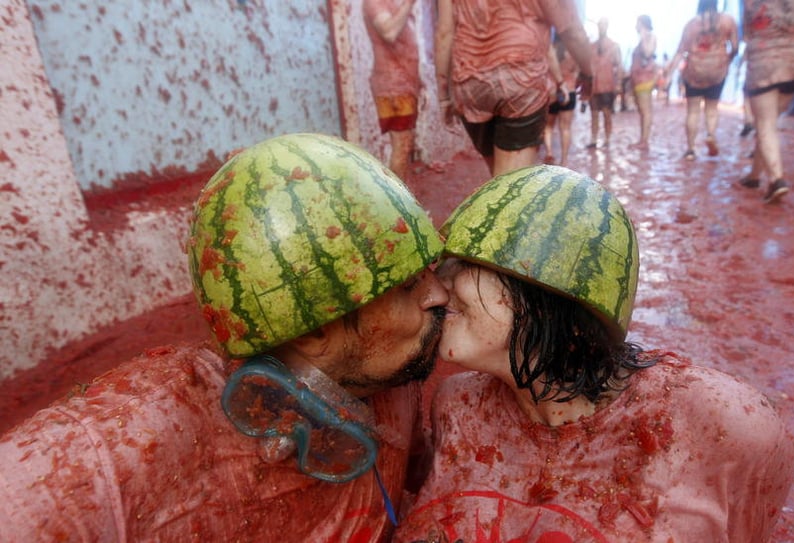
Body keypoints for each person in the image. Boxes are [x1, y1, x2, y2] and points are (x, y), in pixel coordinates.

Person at [0, 133, 450, 541]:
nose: (440, 293)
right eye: (408, 287)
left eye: (429, 271)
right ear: (314, 330)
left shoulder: (393, 385)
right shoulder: (128, 443)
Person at [393, 165, 794, 542]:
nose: (438, 287)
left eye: (463, 262)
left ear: (551, 287)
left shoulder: (720, 426)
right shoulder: (457, 406)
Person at [434, 0, 593, 177]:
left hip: (470, 85)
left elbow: (444, 33)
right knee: (509, 190)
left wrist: (443, 97)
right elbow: (572, 31)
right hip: (521, 81)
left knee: (498, 180)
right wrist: (587, 73)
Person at [738, 0, 794, 203]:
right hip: (793, 66)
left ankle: (777, 180)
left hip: (763, 66)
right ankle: (754, 175)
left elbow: (748, 33)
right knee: (769, 123)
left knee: (765, 125)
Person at [666, 0, 738, 161]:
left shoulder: (691, 24)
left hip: (694, 71)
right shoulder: (727, 21)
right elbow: (735, 47)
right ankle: (711, 134)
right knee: (712, 108)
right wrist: (727, 60)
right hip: (717, 70)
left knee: (693, 111)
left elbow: (680, 52)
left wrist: (669, 74)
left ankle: (690, 149)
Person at [363, 0, 421, 181]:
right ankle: (397, 207)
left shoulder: (391, 4)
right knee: (402, 148)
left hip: (403, 85)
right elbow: (389, 32)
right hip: (394, 86)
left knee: (404, 147)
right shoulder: (374, 3)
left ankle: (402, 202)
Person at [543, 29, 580, 166]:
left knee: (548, 126)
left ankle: (549, 152)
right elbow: (577, 71)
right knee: (565, 128)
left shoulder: (551, 50)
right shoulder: (573, 53)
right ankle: (564, 160)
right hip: (569, 91)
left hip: (553, 92)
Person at [587, 17, 624, 149]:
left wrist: (619, 84)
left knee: (607, 113)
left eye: (604, 25)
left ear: (607, 26)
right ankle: (594, 138)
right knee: (594, 114)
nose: (602, 27)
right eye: (600, 25)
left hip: (607, 86)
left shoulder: (613, 46)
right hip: (594, 86)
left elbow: (619, 66)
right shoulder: (592, 47)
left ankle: (607, 139)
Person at [629, 15, 658, 149]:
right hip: (638, 79)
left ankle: (644, 141)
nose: (635, 26)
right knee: (642, 110)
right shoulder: (645, 38)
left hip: (644, 79)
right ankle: (642, 139)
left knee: (645, 110)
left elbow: (647, 53)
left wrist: (643, 34)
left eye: (637, 23)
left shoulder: (649, 37)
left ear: (642, 24)